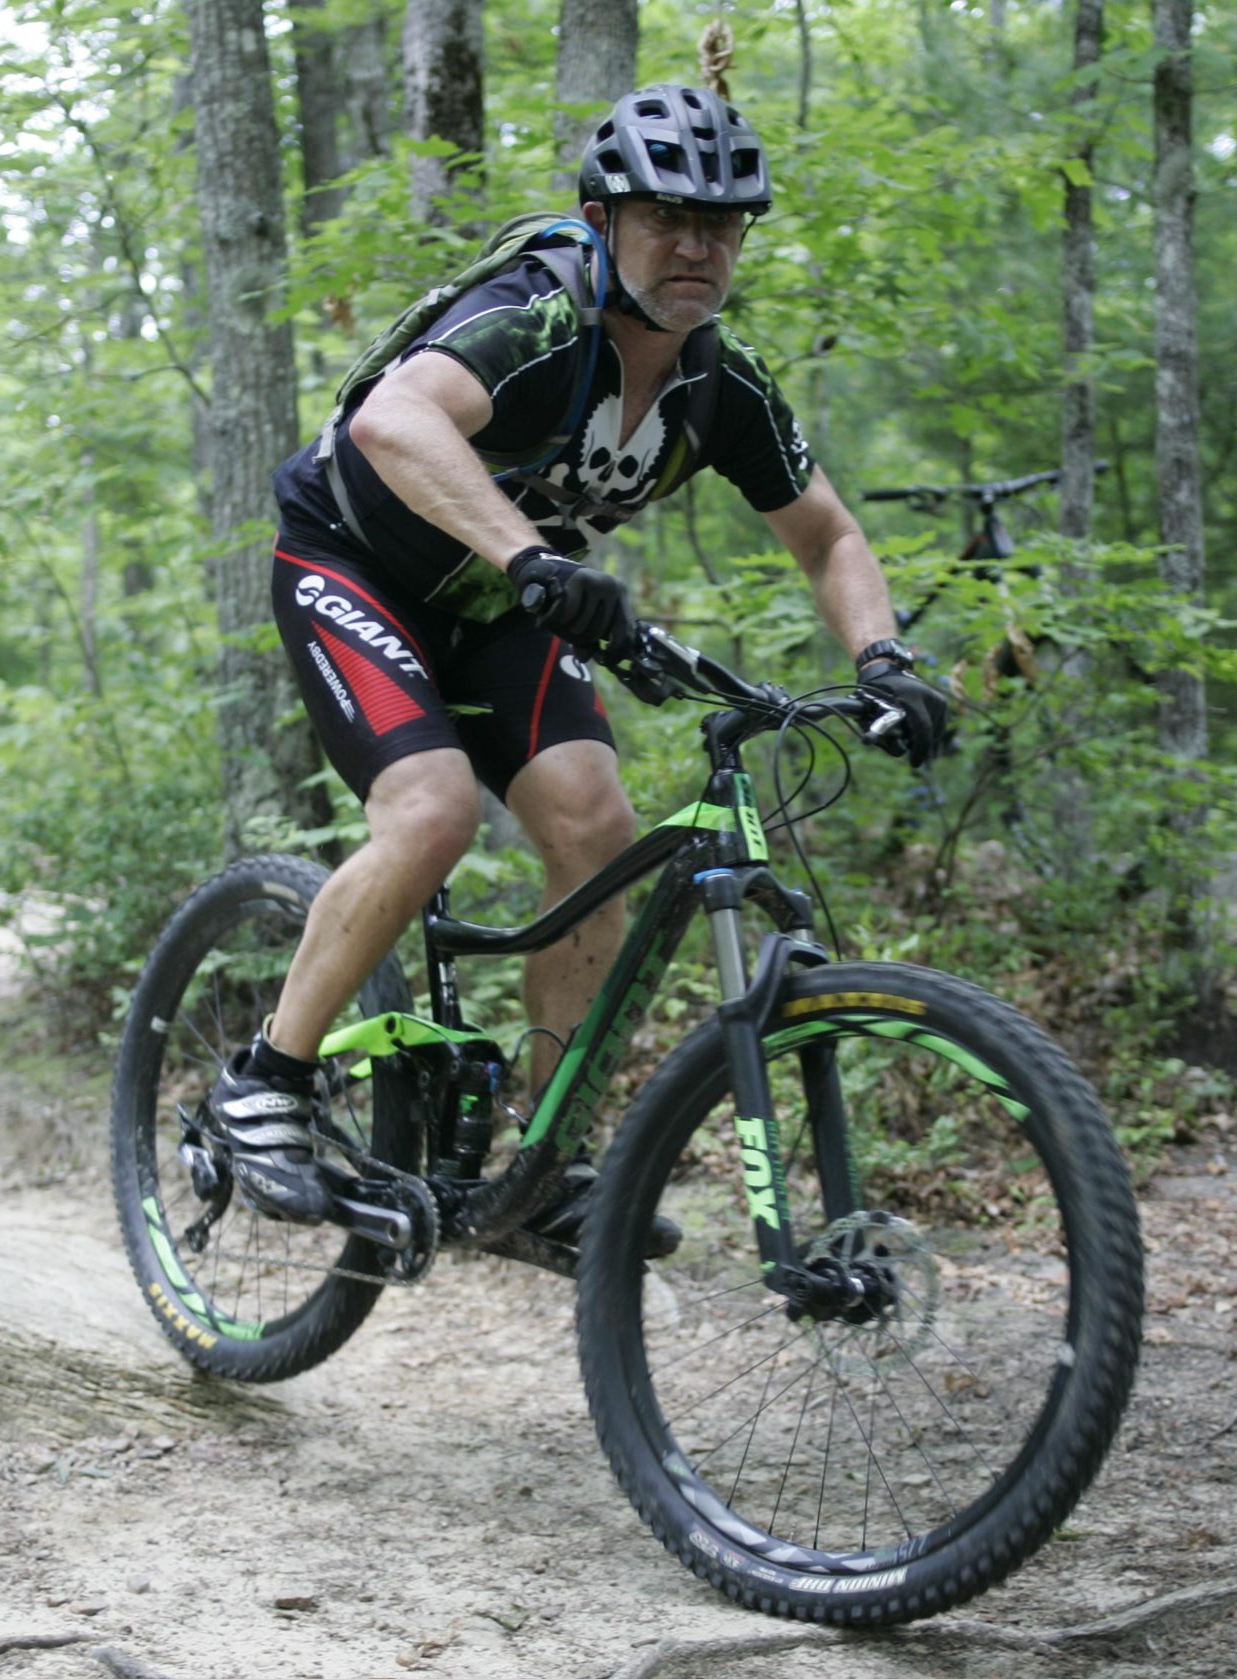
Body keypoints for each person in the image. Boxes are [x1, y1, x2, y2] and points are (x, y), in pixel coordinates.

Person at [203, 83, 949, 1237]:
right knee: (431, 811)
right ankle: (268, 1079)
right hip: (355, 563)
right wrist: (526, 555)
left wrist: (885, 658)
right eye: (665, 218)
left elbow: (829, 533)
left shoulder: (721, 384)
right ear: (602, 222)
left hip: (506, 598)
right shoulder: (535, 320)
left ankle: (542, 1163)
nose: (696, 246)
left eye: (723, 225)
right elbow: (391, 424)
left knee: (596, 823)